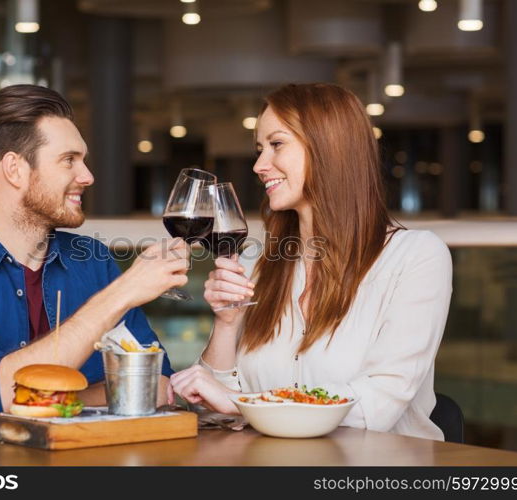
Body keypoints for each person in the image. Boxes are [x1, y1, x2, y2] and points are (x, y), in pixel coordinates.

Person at [170, 83, 453, 440]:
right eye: (260, 149)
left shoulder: (416, 257)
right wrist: (227, 323)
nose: (259, 165)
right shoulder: (266, 263)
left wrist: (245, 403)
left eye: (276, 145)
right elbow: (211, 402)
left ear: (329, 149)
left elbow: (378, 404)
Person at [0, 84, 189, 428]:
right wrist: (122, 293)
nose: (87, 176)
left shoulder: (92, 261)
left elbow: (157, 386)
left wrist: (44, 405)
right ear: (14, 169)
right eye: (69, 160)